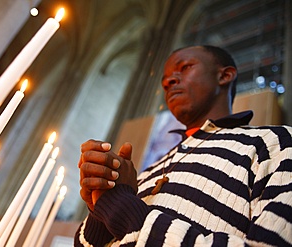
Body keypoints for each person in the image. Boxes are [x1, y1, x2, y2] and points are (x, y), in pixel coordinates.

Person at [74, 45, 292, 246]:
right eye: (165, 80)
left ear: (224, 76)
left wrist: (129, 213)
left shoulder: (275, 143)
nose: (168, 82)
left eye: (185, 67)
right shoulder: (151, 169)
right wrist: (101, 207)